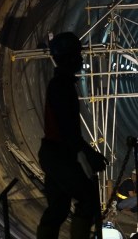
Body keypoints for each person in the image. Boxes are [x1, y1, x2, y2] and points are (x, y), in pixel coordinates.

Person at [36, 32, 107, 239]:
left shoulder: (61, 84)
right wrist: (88, 153)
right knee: (88, 200)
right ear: (67, 58)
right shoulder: (61, 87)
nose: (81, 59)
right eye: (77, 55)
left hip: (55, 154)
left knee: (58, 209)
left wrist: (85, 152)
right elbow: (68, 130)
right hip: (58, 155)